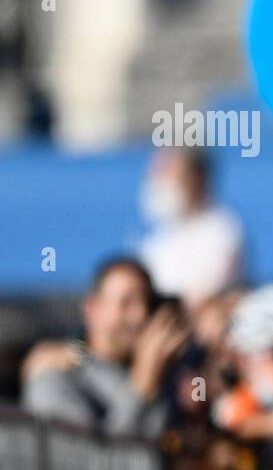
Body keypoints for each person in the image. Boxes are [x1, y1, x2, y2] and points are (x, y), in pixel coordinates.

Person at [22, 257, 189, 439]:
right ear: (92, 308)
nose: (140, 315)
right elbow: (96, 463)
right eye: (126, 302)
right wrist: (143, 384)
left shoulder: (167, 379)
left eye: (147, 303)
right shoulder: (55, 379)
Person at [137, 147, 244, 308]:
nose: (157, 181)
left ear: (197, 178)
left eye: (167, 170)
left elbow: (201, 299)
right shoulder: (161, 236)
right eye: (156, 172)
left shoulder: (221, 232)